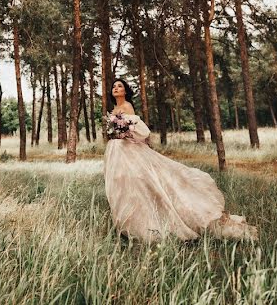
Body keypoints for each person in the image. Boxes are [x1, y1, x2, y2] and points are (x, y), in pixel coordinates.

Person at [103, 78, 257, 242]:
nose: (116, 88)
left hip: (128, 150)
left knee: (140, 182)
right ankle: (127, 224)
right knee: (122, 185)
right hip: (116, 150)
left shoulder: (127, 106)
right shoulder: (114, 110)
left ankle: (152, 222)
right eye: (114, 86)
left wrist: (123, 131)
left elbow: (140, 131)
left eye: (119, 86)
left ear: (125, 91)